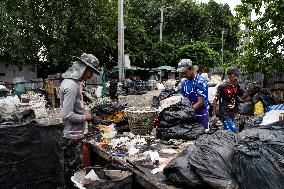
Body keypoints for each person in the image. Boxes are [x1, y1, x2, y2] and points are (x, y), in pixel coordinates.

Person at [59, 53, 100, 188]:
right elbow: (66, 116)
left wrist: (85, 114)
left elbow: (75, 109)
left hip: (75, 134)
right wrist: (86, 117)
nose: (91, 75)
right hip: (71, 137)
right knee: (73, 172)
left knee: (75, 170)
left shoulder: (75, 83)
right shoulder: (71, 86)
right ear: (83, 68)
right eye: (90, 71)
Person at [212, 67, 253, 133]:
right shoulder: (222, 86)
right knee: (235, 131)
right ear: (229, 75)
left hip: (233, 113)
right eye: (234, 75)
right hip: (224, 114)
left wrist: (249, 91)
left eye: (237, 75)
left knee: (228, 134)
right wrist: (214, 115)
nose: (236, 77)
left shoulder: (236, 85)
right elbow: (215, 100)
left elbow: (242, 97)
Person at [177, 59, 209, 132]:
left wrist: (186, 112)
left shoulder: (200, 81)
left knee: (202, 138)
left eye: (185, 73)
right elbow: (183, 99)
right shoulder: (183, 82)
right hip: (189, 115)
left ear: (191, 69)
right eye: (182, 74)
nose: (183, 75)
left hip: (201, 115)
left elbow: (200, 103)